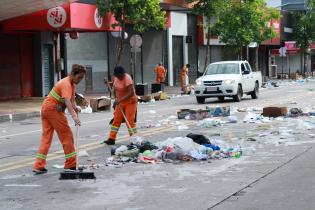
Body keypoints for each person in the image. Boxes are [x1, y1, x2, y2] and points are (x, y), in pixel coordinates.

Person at [33, 64, 86, 174]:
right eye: (79, 77)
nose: (80, 80)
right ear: (73, 74)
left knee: (46, 138)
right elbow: (66, 101)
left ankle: (38, 165)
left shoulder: (71, 84)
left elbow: (71, 100)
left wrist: (76, 108)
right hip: (53, 109)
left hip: (46, 108)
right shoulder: (66, 84)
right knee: (66, 135)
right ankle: (71, 164)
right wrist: (74, 117)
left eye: (82, 78)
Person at [104, 66, 138, 145]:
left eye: (121, 75)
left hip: (130, 101)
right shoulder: (116, 78)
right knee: (116, 120)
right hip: (120, 102)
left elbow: (131, 93)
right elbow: (114, 85)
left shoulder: (127, 78)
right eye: (118, 75)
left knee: (129, 121)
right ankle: (111, 139)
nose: (120, 77)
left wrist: (119, 100)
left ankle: (134, 138)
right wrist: (108, 83)